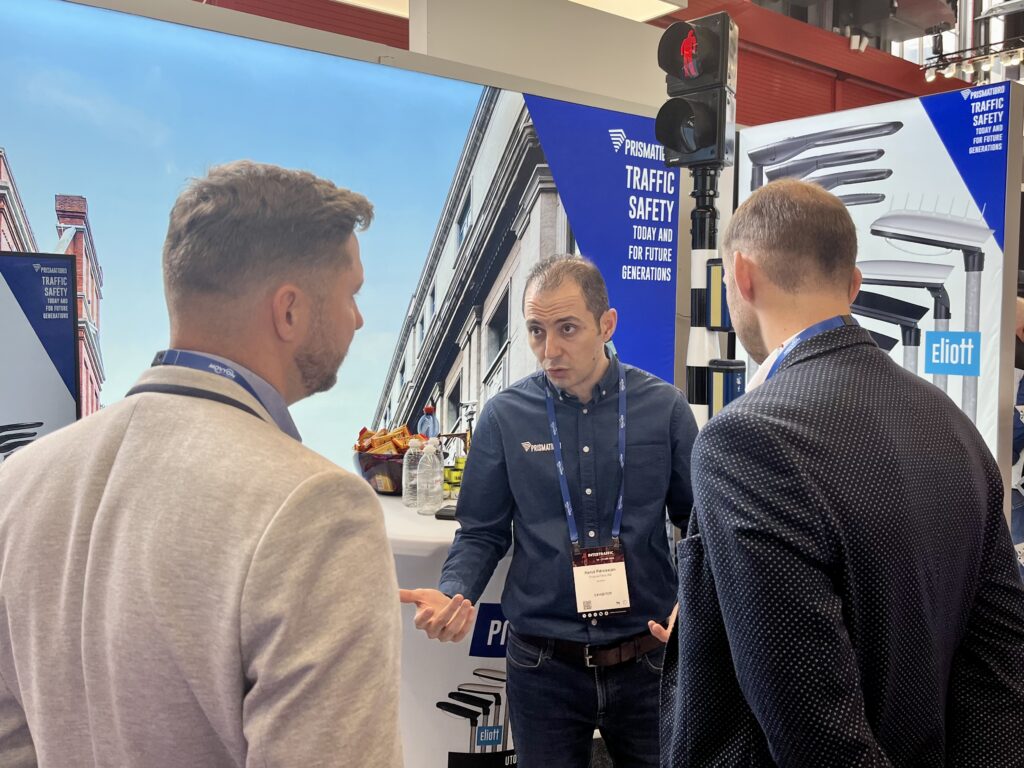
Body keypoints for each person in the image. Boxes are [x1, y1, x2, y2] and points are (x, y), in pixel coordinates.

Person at [0, 161, 403, 767]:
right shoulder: (318, 508)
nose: (359, 318)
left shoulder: (18, 482)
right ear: (289, 311)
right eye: (352, 293)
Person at [660, 178, 1024, 766]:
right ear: (852, 284)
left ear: (742, 276)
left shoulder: (744, 440)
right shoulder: (954, 426)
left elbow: (816, 735)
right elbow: (1000, 669)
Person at [400, 254, 698, 766]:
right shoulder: (504, 417)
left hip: (648, 660)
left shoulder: (664, 408)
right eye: (536, 331)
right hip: (543, 666)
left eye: (567, 329)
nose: (549, 349)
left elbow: (697, 525)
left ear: (607, 325)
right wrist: (454, 592)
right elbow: (482, 531)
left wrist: (694, 605)